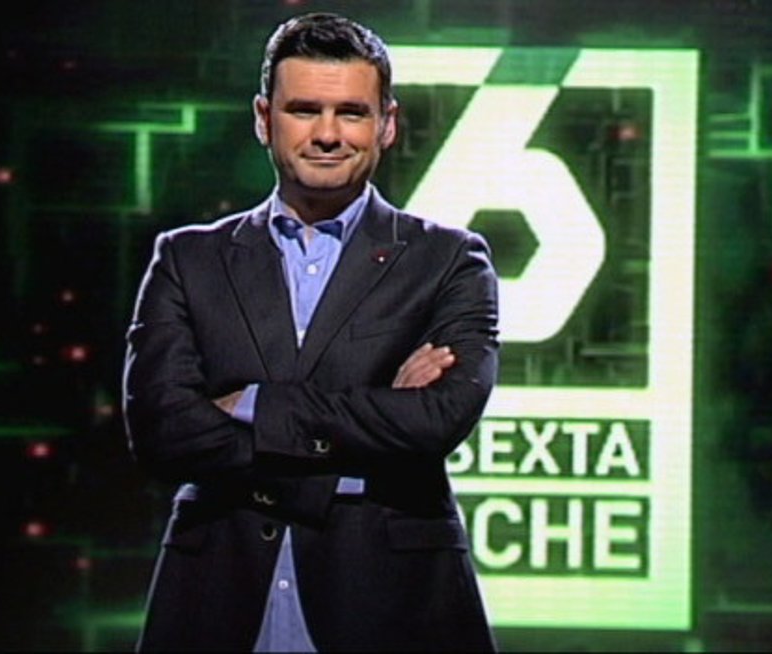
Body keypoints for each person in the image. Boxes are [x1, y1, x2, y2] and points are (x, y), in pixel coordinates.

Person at [121, 11, 499, 652]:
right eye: (304, 111)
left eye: (351, 112)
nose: (327, 135)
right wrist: (371, 427)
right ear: (264, 118)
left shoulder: (449, 260)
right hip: (218, 592)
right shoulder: (188, 259)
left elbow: (437, 419)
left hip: (392, 600)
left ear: (387, 124)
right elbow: (163, 433)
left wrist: (254, 404)